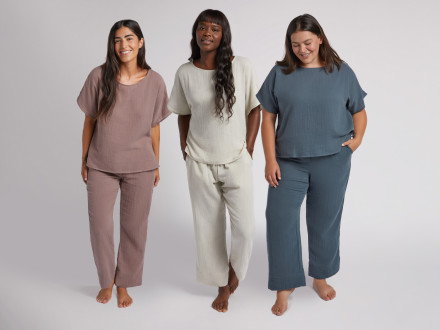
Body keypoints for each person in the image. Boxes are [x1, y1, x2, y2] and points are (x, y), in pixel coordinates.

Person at [257, 14, 367, 316]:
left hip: (332, 159)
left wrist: (354, 143)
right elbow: (267, 117)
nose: (302, 49)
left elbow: (359, 111)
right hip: (288, 161)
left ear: (320, 38)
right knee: (279, 219)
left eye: (307, 42)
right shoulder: (280, 73)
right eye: (295, 45)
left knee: (325, 220)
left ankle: (320, 276)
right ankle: (284, 284)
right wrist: (270, 159)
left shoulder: (342, 72)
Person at [168, 9, 260, 313]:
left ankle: (235, 271)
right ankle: (222, 285)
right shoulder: (185, 72)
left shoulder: (242, 67)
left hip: (236, 160)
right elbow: (182, 113)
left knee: (245, 228)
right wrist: (184, 148)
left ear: (224, 35)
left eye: (215, 29)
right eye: (202, 28)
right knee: (209, 227)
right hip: (199, 160)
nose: (207, 33)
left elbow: (255, 108)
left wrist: (248, 149)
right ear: (195, 33)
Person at [77, 19, 170, 308]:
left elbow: (155, 126)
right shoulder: (98, 75)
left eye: (129, 38)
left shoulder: (155, 81)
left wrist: (156, 163)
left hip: (141, 165)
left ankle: (124, 284)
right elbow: (88, 120)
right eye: (117, 40)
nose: (123, 45)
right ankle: (107, 280)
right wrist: (84, 160)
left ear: (140, 42)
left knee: (134, 228)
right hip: (101, 164)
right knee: (100, 226)